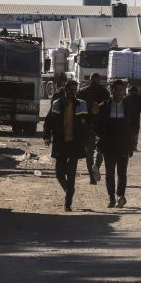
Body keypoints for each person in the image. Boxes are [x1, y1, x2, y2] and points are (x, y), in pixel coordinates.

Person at [42, 79, 89, 212]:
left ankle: (67, 203)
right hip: (60, 143)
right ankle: (70, 190)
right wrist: (46, 135)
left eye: (75, 90)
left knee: (71, 174)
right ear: (65, 89)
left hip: (75, 144)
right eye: (70, 90)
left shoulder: (81, 105)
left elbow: (86, 126)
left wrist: (85, 143)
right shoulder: (57, 104)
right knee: (59, 174)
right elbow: (48, 121)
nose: (72, 92)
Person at [95, 79, 137, 208]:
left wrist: (132, 143)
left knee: (122, 173)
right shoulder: (104, 106)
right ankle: (111, 198)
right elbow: (96, 125)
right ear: (111, 90)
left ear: (124, 91)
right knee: (109, 173)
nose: (119, 93)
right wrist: (101, 139)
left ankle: (120, 196)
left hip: (123, 144)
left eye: (121, 90)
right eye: (116, 90)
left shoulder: (129, 106)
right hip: (108, 145)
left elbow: (135, 126)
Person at [77, 73, 110, 185]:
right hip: (101, 126)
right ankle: (97, 166)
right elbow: (107, 110)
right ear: (99, 80)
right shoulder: (105, 92)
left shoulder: (82, 91)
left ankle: (91, 176)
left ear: (90, 80)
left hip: (87, 126)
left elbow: (78, 110)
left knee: (89, 152)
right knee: (101, 150)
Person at [127, 85, 141, 153]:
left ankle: (131, 146)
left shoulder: (126, 98)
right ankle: (133, 147)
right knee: (134, 133)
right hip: (135, 119)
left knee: (131, 132)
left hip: (129, 119)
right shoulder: (139, 98)